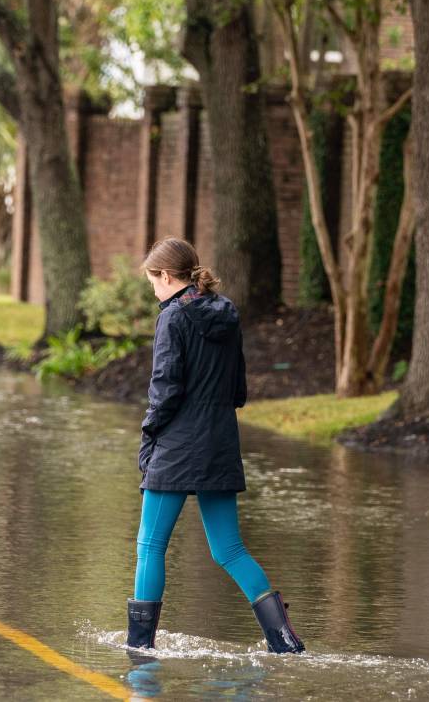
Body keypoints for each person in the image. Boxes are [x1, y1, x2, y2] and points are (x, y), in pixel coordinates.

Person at [126, 237, 305, 655]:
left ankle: (138, 647)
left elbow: (165, 390)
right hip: (221, 442)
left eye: (153, 281)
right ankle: (283, 640)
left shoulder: (172, 318)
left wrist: (149, 435)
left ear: (166, 276)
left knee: (150, 545)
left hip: (177, 444)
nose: (153, 290)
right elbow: (238, 389)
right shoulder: (227, 312)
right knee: (229, 549)